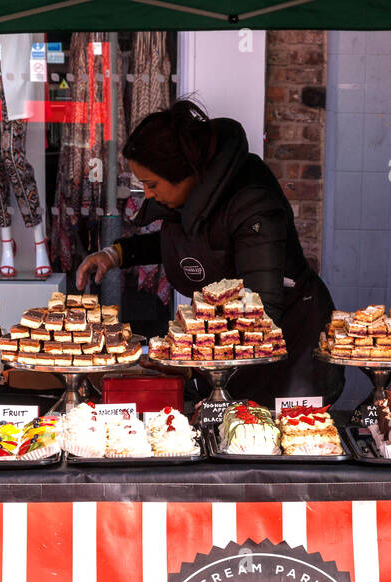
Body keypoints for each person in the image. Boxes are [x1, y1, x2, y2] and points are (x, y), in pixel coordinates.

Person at [76, 100, 342, 405]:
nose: (148, 194)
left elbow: (260, 315)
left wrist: (191, 364)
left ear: (183, 171)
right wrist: (117, 254)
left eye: (151, 184)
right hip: (233, 344)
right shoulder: (196, 195)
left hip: (290, 347)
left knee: (269, 437)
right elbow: (185, 241)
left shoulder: (251, 201)